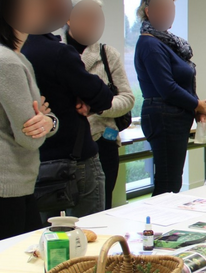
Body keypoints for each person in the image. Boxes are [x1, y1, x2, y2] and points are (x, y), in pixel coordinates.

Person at [22, 0, 114, 220]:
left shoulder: (17, 51)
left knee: (42, 237)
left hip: (34, 162)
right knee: (89, 232)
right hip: (75, 159)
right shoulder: (58, 52)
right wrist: (88, 101)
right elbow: (103, 96)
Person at [56, 0, 135, 209]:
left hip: (103, 142)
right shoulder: (54, 51)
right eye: (86, 17)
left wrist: (97, 107)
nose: (93, 24)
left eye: (98, 19)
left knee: (100, 208)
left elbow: (127, 98)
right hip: (62, 146)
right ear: (69, 19)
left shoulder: (108, 55)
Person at [135, 0, 206, 196]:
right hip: (163, 116)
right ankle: (156, 225)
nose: (168, 13)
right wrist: (197, 105)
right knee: (168, 184)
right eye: (162, 8)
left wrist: (197, 107)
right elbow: (167, 88)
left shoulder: (166, 42)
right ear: (148, 11)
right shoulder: (150, 44)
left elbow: (182, 82)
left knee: (172, 180)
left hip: (174, 116)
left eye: (171, 8)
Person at [0, 0, 60, 239]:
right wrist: (44, 120)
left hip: (18, 185)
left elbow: (46, 119)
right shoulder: (8, 62)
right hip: (9, 187)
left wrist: (48, 121)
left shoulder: (18, 58)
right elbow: (31, 138)